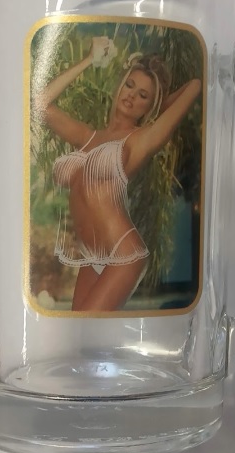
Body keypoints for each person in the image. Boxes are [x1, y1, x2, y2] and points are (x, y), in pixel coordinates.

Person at [35, 36, 201, 312]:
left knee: (88, 327)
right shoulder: (88, 137)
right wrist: (89, 59)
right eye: (130, 85)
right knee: (82, 333)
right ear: (120, 85)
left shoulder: (141, 140)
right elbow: (39, 104)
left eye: (143, 96)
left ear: (149, 106)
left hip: (123, 254)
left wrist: (159, 106)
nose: (132, 96)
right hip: (92, 255)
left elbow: (194, 86)